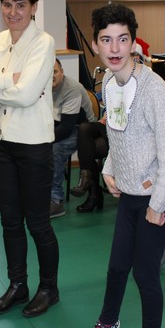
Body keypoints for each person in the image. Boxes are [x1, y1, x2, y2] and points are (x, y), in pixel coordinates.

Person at [82, 3, 165, 328]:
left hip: (155, 196)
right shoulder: (109, 80)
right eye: (106, 40)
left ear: (134, 43)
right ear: (94, 44)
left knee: (145, 274)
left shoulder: (153, 89)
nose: (114, 49)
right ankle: (108, 320)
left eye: (122, 39)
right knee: (117, 266)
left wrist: (158, 204)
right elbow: (116, 130)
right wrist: (110, 168)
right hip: (128, 193)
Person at [0, 0, 59, 318]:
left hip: (33, 145)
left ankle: (49, 288)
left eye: (21, 5)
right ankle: (17, 285)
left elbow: (26, 95)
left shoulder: (43, 43)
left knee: (38, 224)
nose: (13, 12)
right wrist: (11, 81)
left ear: (33, 7)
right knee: (9, 222)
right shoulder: (0, 40)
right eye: (7, 4)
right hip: (2, 142)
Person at [50, 58, 96, 219]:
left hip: (82, 129)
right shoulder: (40, 86)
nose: (51, 76)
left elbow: (66, 128)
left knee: (55, 149)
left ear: (62, 72)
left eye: (54, 71)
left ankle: (55, 200)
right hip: (58, 124)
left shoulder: (72, 89)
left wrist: (43, 140)